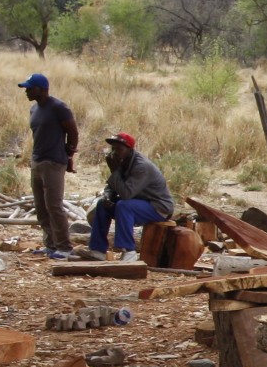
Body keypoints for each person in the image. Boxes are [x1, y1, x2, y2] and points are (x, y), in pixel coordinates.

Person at [80, 132, 174, 261]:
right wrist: (108, 196)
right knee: (102, 205)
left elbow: (125, 194)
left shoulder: (141, 166)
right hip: (138, 202)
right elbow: (111, 187)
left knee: (124, 206)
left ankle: (129, 251)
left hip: (158, 207)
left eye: (119, 149)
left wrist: (115, 171)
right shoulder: (123, 162)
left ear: (130, 150)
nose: (115, 152)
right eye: (113, 149)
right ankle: (97, 250)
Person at [21, 72, 79, 258]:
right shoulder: (34, 109)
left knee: (53, 205)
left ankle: (64, 247)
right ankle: (51, 244)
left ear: (42, 89)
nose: (27, 92)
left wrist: (68, 154)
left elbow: (73, 132)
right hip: (37, 161)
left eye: (30, 88)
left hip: (53, 162)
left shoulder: (58, 107)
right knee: (40, 206)